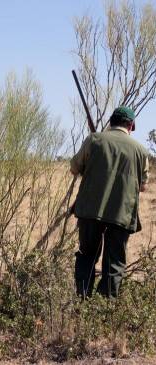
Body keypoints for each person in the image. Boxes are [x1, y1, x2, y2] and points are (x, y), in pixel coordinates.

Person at [70, 106, 149, 298]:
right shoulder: (140, 150)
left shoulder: (94, 139)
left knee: (87, 257)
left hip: (91, 211)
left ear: (111, 122)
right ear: (130, 125)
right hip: (122, 215)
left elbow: (74, 167)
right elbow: (143, 186)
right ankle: (103, 312)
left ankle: (82, 303)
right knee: (114, 265)